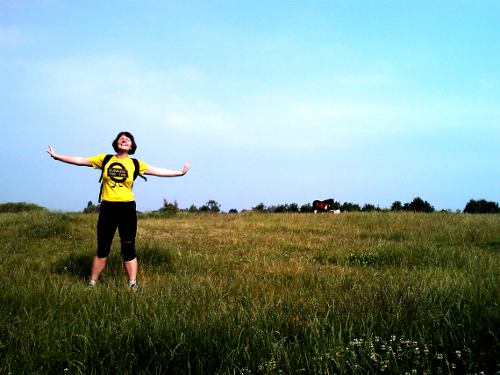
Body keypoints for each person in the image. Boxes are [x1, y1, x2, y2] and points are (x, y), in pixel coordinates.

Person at [47, 131, 190, 289]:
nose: (124, 139)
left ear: (131, 146)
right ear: (116, 143)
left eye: (128, 139)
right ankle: (91, 284)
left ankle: (132, 285)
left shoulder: (135, 164)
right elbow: (81, 160)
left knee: (128, 247)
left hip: (127, 208)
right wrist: (58, 156)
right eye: (121, 138)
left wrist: (180, 173)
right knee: (103, 248)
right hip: (108, 207)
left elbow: (157, 171)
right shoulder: (105, 159)